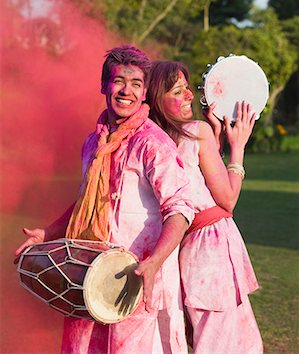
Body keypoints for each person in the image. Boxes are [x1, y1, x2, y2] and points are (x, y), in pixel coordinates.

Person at [15, 46, 195, 354]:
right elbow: (89, 200)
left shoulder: (153, 143)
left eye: (136, 83)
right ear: (104, 86)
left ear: (144, 92)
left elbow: (180, 210)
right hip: (90, 276)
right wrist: (49, 232)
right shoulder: (93, 143)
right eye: (119, 81)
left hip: (137, 280)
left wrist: (153, 263)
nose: (127, 91)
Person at [146, 60, 263, 354]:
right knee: (229, 342)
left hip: (189, 250)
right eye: (178, 91)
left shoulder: (156, 141)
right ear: (158, 100)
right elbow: (227, 199)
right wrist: (238, 147)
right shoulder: (196, 130)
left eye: (187, 88)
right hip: (213, 248)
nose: (188, 96)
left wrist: (216, 142)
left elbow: (196, 186)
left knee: (212, 337)